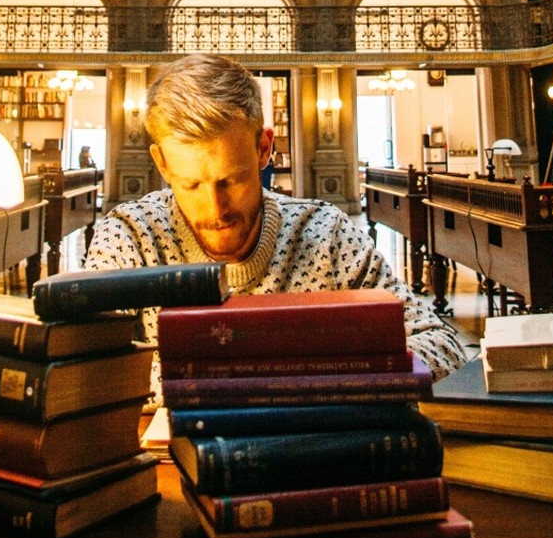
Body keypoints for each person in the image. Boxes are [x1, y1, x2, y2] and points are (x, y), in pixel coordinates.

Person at [83, 54, 470, 404]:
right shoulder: (129, 236)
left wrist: (319, 380)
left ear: (264, 149)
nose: (215, 209)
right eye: (191, 185)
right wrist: (278, 381)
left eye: (231, 180)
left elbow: (442, 346)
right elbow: (85, 374)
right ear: (162, 164)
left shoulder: (326, 235)